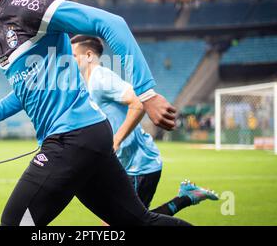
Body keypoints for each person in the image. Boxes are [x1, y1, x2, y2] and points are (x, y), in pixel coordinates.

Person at [0, 0, 189, 226]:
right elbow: (28, 90)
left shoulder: (27, 9)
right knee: (138, 223)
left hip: (71, 139)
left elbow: (111, 23)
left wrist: (146, 92)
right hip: (86, 137)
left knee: (14, 224)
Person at [71, 35, 218, 216]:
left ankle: (186, 198)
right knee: (121, 221)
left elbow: (139, 102)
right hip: (125, 164)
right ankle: (186, 197)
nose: (70, 60)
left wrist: (116, 140)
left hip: (139, 165)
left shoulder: (101, 78)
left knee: (131, 223)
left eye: (73, 55)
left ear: (88, 55)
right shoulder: (91, 83)